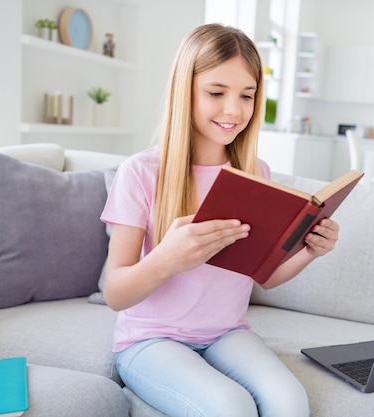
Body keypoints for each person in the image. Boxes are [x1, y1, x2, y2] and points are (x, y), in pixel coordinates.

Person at [101, 23, 340, 417]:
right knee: (230, 408)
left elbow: (263, 273)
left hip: (226, 333)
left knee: (291, 401)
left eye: (247, 96)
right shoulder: (140, 173)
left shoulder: (255, 173)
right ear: (185, 91)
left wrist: (310, 250)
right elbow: (115, 293)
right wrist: (167, 258)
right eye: (216, 93)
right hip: (150, 340)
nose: (234, 109)